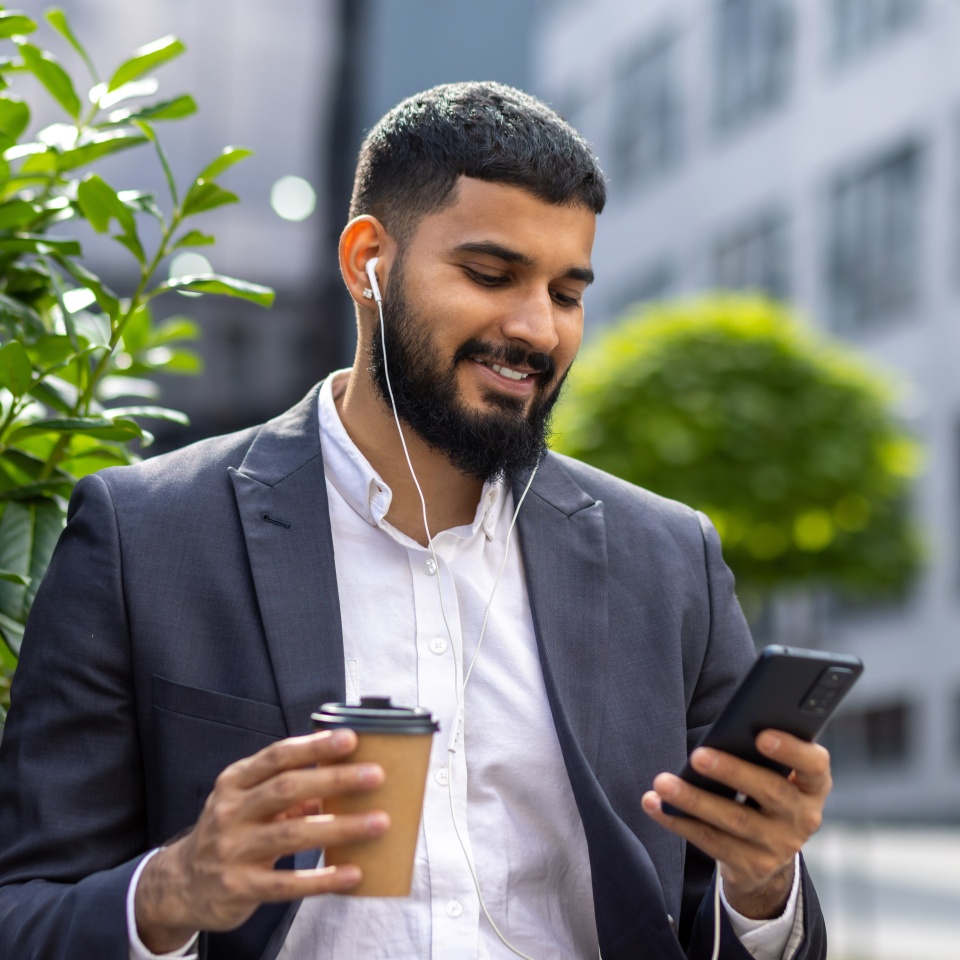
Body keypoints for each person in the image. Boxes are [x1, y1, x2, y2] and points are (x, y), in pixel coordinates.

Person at [0, 82, 830, 960]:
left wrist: (763, 884)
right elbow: (22, 915)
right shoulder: (147, 536)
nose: (536, 329)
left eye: (567, 292)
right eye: (491, 275)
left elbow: (736, 926)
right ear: (368, 260)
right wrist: (174, 888)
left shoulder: (668, 561)